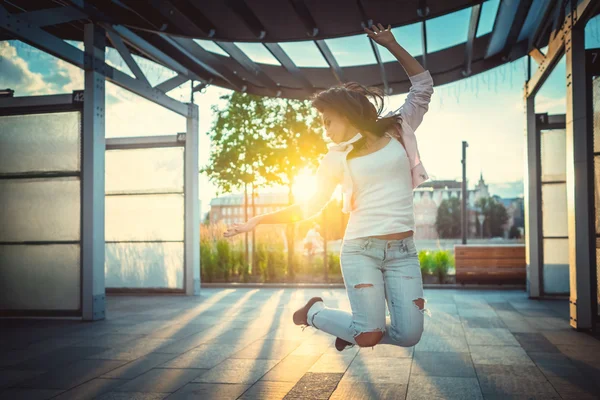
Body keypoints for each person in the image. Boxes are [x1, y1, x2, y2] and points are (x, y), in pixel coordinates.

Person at [224, 23, 433, 351]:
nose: (324, 130)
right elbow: (308, 207)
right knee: (367, 337)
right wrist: (257, 221)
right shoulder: (335, 159)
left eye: (327, 121)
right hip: (360, 250)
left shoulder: (396, 129)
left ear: (347, 114)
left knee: (409, 336)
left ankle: (351, 329)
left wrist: (391, 43)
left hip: (403, 252)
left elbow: (422, 86)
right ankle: (315, 313)